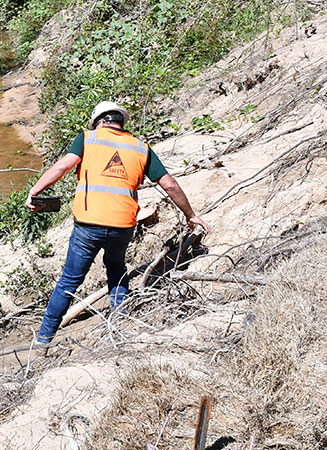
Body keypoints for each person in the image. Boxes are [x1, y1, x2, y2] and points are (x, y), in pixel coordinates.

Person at [26, 100, 211, 344]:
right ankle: (119, 329)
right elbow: (169, 184)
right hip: (122, 226)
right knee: (116, 268)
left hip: (88, 225)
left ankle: (43, 338)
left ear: (99, 122)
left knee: (69, 280)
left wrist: (35, 192)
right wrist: (190, 214)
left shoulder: (87, 138)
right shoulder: (141, 148)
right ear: (121, 123)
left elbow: (62, 167)